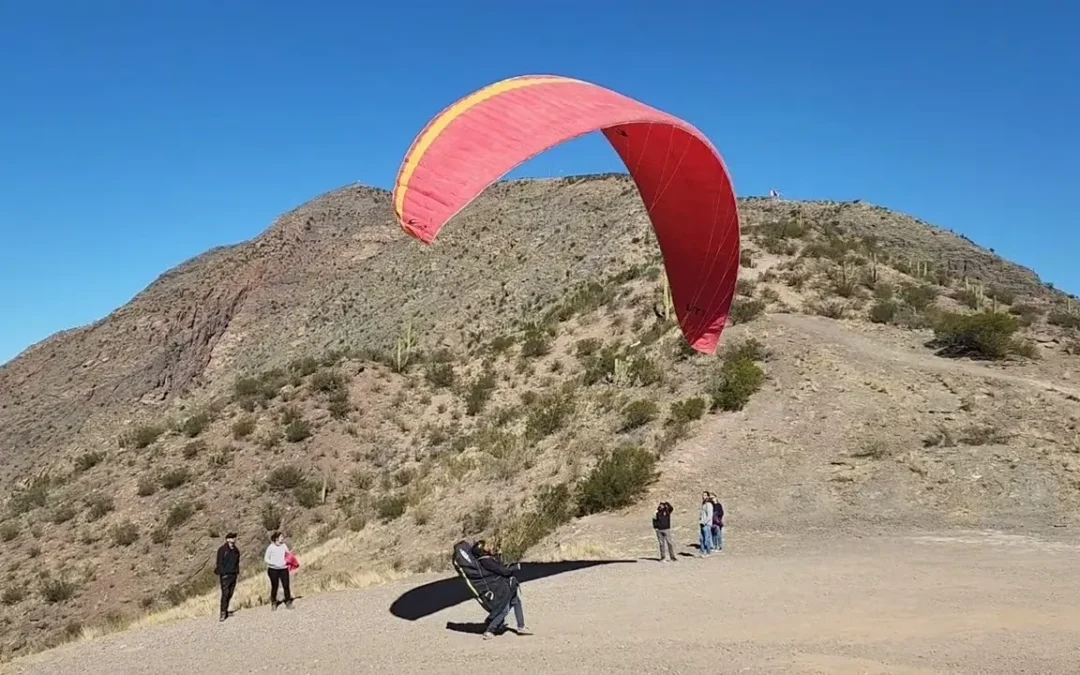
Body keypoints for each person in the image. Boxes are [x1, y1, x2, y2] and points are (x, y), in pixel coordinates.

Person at [474, 539, 531, 640]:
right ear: (482, 550)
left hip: (506, 585)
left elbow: (499, 566)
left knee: (516, 601)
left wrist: (497, 556)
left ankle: (521, 627)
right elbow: (502, 570)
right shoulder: (485, 561)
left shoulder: (488, 559)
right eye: (486, 546)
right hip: (501, 587)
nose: (489, 546)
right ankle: (489, 630)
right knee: (504, 610)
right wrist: (515, 568)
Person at [213, 532, 240, 621]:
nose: (234, 539)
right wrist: (223, 573)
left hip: (233, 574)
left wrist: (236, 572)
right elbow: (219, 562)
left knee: (230, 593)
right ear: (227, 539)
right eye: (232, 538)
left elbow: (237, 563)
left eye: (234, 537)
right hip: (225, 575)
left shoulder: (236, 550)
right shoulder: (222, 550)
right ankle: (223, 612)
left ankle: (226, 609)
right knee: (225, 594)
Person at [264, 531, 294, 610]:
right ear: (276, 538)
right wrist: (274, 563)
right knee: (275, 586)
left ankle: (288, 602)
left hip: (283, 568)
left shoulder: (284, 545)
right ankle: (274, 602)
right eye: (281, 537)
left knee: (286, 585)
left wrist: (290, 556)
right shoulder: (270, 547)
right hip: (273, 570)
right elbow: (266, 559)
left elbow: (287, 554)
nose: (282, 538)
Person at [699, 492, 714, 557]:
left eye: (705, 495)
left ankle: (707, 552)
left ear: (708, 496)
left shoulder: (709, 504)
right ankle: (702, 551)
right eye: (702, 495)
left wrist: (704, 522)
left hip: (706, 524)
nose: (703, 496)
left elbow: (710, 515)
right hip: (702, 523)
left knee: (706, 538)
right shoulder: (703, 504)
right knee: (702, 538)